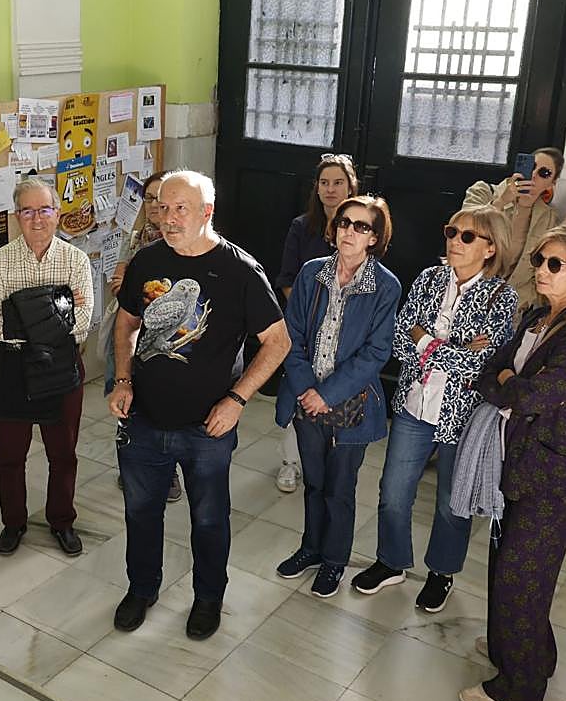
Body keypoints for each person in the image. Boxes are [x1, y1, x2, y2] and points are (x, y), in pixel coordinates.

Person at [109, 170, 290, 640]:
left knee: (208, 520)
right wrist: (123, 379)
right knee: (140, 512)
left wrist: (237, 399)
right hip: (144, 418)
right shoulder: (147, 260)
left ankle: (208, 598)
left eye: (180, 209)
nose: (168, 219)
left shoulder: (240, 270)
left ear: (207, 212)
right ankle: (141, 588)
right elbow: (126, 323)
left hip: (207, 427)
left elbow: (278, 342)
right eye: (162, 208)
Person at [460, 223, 566, 701]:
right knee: (513, 568)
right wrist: (510, 380)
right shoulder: (536, 316)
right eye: (539, 260)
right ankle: (521, 650)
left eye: (555, 264)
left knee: (521, 576)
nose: (541, 270)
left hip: (551, 474)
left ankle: (520, 690)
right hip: (516, 461)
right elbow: (491, 371)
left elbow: (533, 396)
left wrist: (511, 382)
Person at [350, 207, 518, 611]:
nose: (455, 240)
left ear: (491, 248)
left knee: (451, 502)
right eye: (451, 231)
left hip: (463, 415)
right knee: (393, 492)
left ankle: (442, 572)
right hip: (414, 406)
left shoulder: (501, 296)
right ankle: (391, 562)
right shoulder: (428, 279)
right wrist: (450, 347)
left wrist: (425, 340)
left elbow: (479, 364)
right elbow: (399, 340)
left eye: (467, 236)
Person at [274, 196, 401, 598]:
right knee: (314, 484)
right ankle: (311, 549)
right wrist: (306, 389)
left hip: (351, 405)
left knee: (339, 489)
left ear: (374, 238)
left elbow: (377, 352)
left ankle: (334, 561)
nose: (350, 231)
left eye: (361, 226)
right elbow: (291, 335)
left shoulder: (386, 285)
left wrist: (326, 394)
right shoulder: (312, 273)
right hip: (305, 398)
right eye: (345, 222)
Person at [0, 177, 93, 558]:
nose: (37, 219)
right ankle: (13, 523)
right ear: (16, 216)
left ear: (57, 213)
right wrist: (55, 307)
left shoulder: (75, 260)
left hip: (61, 369)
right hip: (11, 369)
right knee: (10, 457)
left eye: (44, 209)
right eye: (27, 211)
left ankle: (62, 521)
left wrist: (22, 309)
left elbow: (82, 323)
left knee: (63, 455)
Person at [273, 154, 359, 493]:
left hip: (345, 327)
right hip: (305, 323)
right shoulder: (302, 226)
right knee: (298, 389)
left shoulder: (361, 228)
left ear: (351, 187)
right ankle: (290, 462)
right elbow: (287, 278)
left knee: (334, 390)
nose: (330, 189)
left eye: (338, 183)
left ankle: (327, 459)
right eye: (324, 183)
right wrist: (309, 313)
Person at [107, 170, 183, 503]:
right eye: (149, 199)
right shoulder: (136, 237)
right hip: (130, 332)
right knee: (125, 399)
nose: (154, 206)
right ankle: (130, 463)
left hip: (164, 337)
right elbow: (120, 280)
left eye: (161, 200)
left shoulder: (182, 240)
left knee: (166, 406)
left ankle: (169, 474)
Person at [462, 147, 563, 308]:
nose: (534, 175)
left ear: (552, 183)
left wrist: (522, 300)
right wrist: (502, 202)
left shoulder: (549, 219)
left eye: (544, 173)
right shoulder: (483, 191)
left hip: (511, 307)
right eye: (531, 167)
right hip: (465, 293)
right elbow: (464, 234)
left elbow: (543, 268)